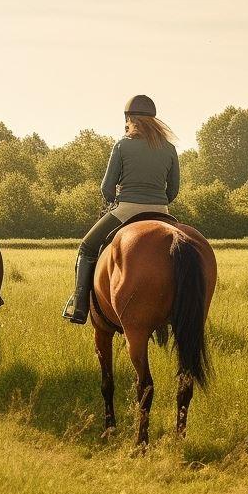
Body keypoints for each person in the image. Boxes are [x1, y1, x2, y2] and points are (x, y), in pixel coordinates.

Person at [62, 94, 181, 324]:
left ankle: (79, 306)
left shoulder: (122, 145)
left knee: (86, 248)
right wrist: (157, 202)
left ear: (129, 118)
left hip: (126, 210)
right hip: (162, 212)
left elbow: (106, 187)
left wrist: (115, 201)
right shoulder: (169, 148)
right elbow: (173, 190)